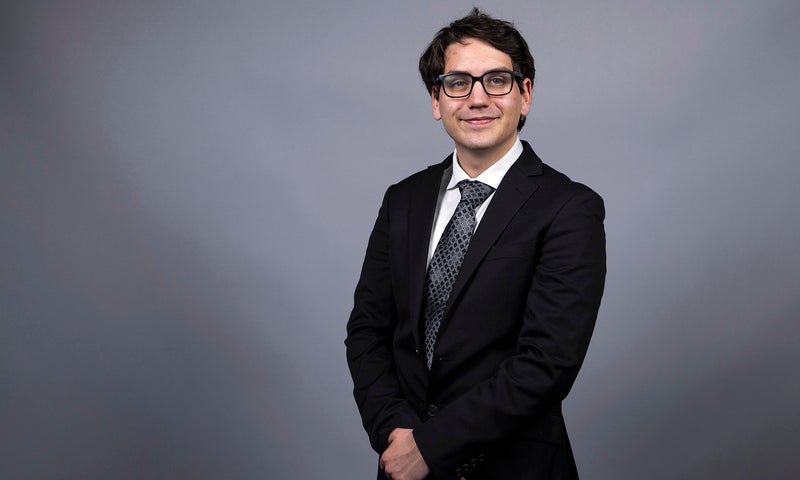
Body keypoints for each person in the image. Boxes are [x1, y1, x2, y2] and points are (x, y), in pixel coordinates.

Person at [345, 8, 606, 480]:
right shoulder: (402, 200)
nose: (478, 98)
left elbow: (547, 364)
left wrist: (429, 446)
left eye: (497, 80)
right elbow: (368, 331)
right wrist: (396, 434)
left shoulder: (570, 208)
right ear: (436, 100)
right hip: (402, 465)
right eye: (458, 82)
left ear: (525, 95)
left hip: (515, 468)